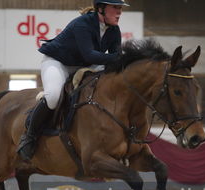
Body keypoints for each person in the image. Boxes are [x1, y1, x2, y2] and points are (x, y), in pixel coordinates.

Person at [17, 0, 129, 161]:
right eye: (115, 8)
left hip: (86, 64)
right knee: (53, 97)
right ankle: (29, 136)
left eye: (120, 8)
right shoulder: (82, 24)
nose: (119, 12)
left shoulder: (114, 30)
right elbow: (91, 55)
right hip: (59, 62)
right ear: (101, 9)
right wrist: (118, 58)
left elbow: (115, 60)